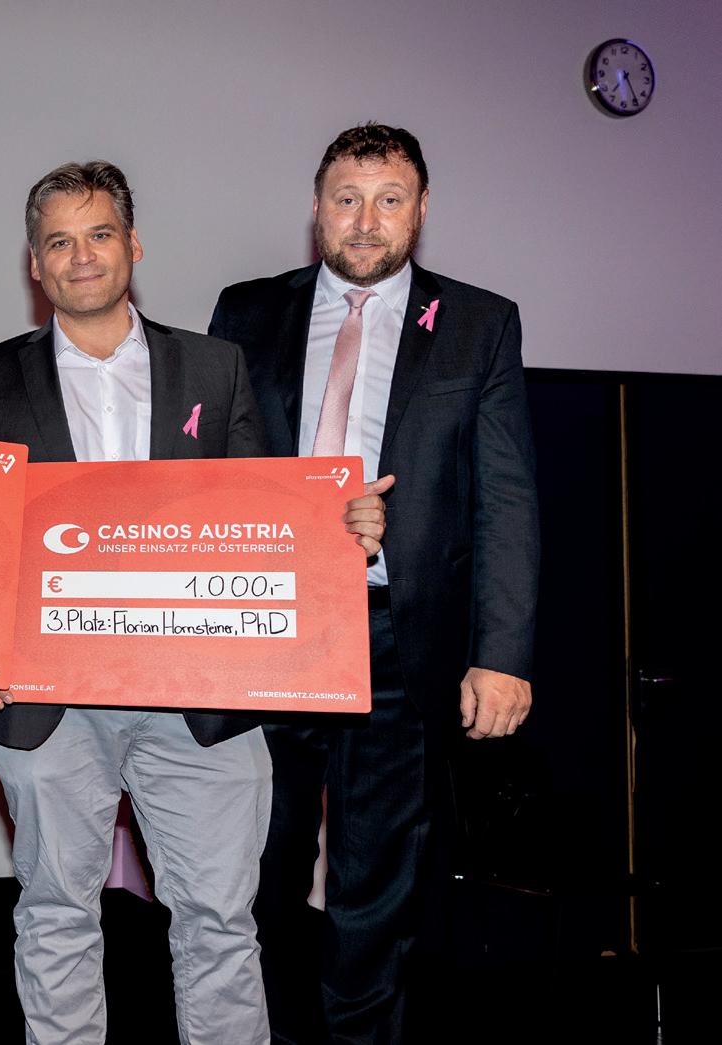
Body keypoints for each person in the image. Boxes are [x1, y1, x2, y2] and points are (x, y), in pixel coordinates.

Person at [0, 160, 388, 1045]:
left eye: (98, 234)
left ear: (132, 244)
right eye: (59, 242)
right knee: (55, 913)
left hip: (197, 702)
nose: (81, 256)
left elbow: (261, 518)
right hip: (46, 704)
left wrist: (339, 528)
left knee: (219, 922)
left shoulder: (213, 365)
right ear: (34, 264)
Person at [209, 123, 539, 1044]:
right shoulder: (245, 311)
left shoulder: (477, 322)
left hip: (400, 638)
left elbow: (506, 498)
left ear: (420, 210)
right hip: (265, 626)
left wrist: (502, 655)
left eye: (388, 200)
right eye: (346, 199)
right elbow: (211, 471)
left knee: (374, 886)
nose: (365, 221)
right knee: (253, 870)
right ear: (315, 209)